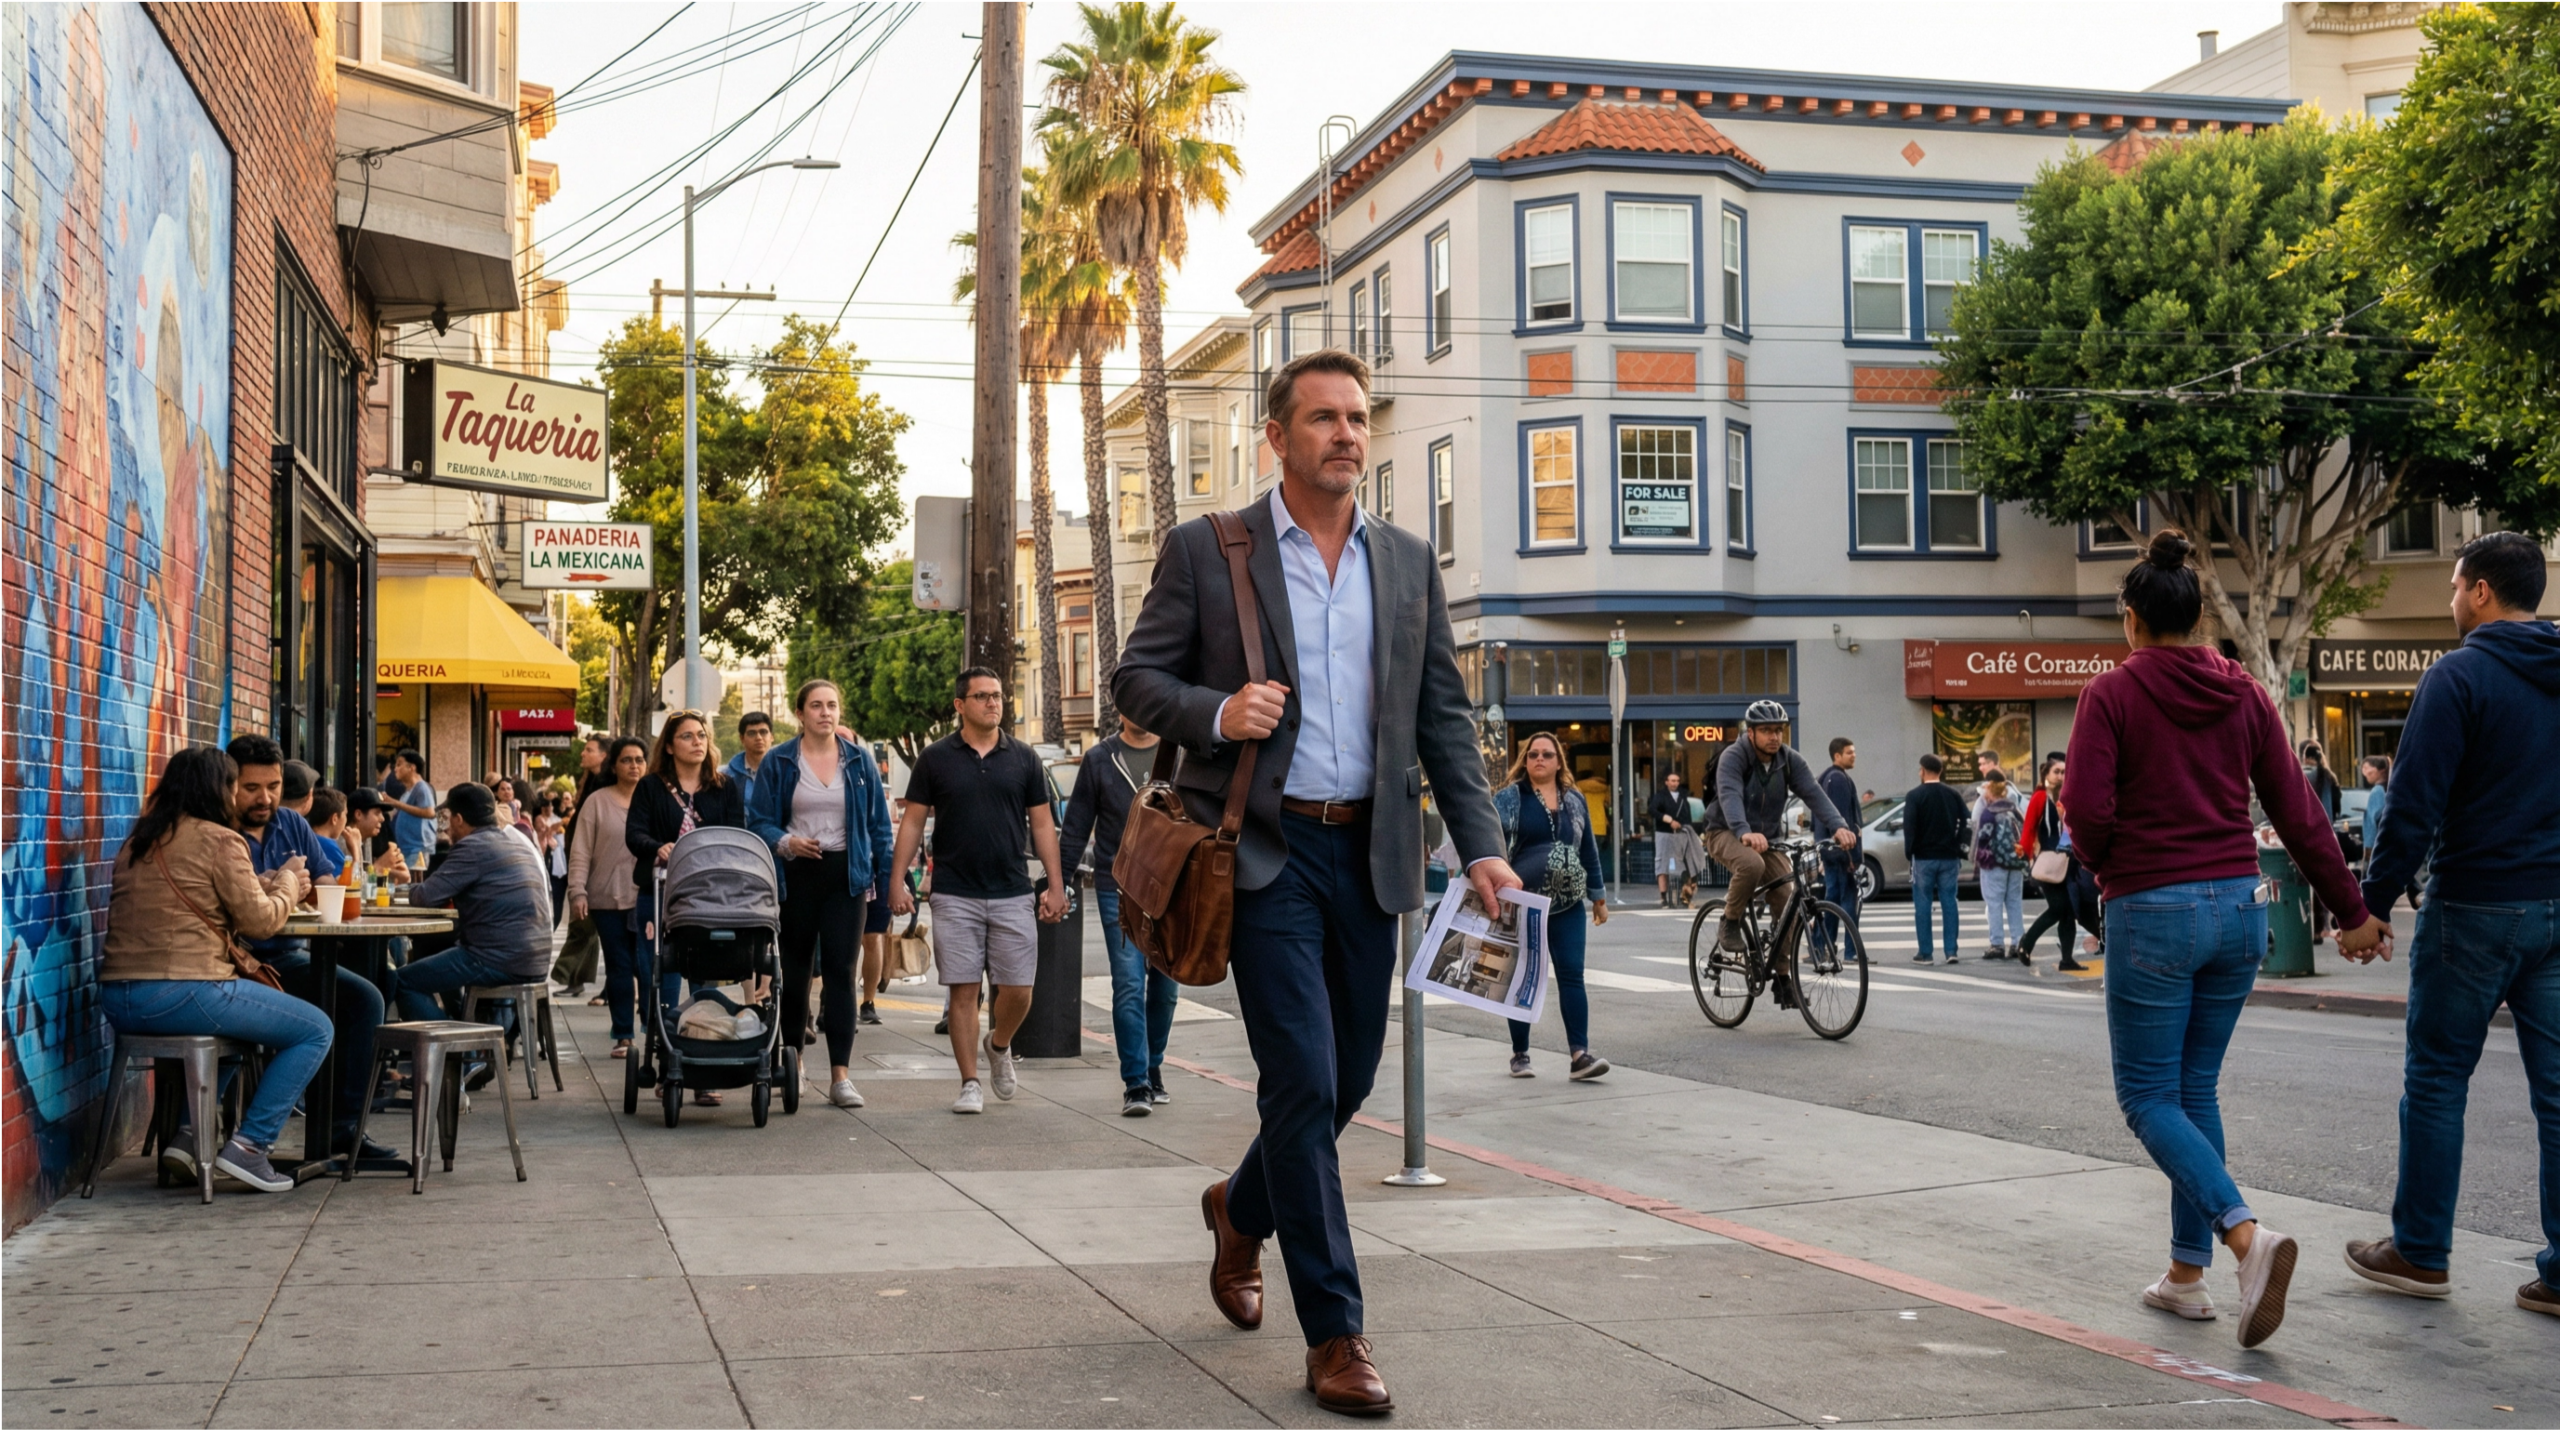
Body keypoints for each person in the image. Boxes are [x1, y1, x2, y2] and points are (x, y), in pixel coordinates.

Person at [1113, 348, 1517, 1417]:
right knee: (1298, 1075)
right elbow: (1135, 679)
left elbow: (1441, 719)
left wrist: (1479, 842)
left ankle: (1238, 1208)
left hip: (1371, 852)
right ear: (1277, 437)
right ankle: (1335, 1331)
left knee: (1346, 1083)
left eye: (1356, 418)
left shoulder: (1407, 561)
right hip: (1262, 851)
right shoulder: (1211, 549)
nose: (1347, 433)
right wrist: (1217, 712)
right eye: (1324, 417)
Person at [2066, 528, 2388, 1348]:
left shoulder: (2111, 694)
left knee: (2147, 1097)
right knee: (2193, 1090)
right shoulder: (2242, 691)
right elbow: (2297, 810)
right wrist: (2351, 910)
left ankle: (2247, 1240)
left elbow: (2088, 813)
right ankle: (2185, 1276)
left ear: (2132, 618)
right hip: (2243, 907)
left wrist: (2110, 867)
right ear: (2198, 616)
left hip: (2154, 908)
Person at [2339, 531, 2559, 1318]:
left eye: (2456, 585)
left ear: (2481, 591)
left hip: (2474, 905)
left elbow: (2413, 804)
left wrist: (2369, 905)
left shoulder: (2458, 675)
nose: (2453, 599)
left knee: (2436, 1080)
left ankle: (2421, 1251)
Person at [100, 746, 326, 1193]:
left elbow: (200, 892)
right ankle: (250, 1147)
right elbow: (261, 921)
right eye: (235, 785)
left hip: (120, 999)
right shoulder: (222, 839)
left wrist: (263, 883)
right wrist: (287, 881)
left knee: (241, 1031)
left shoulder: (139, 841)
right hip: (184, 992)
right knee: (315, 1029)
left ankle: (188, 1138)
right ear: (217, 789)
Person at [888, 668, 1064, 1114]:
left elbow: (1043, 824)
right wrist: (897, 879)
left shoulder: (1024, 758)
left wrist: (1055, 883)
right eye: (982, 696)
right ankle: (969, 1083)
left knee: (1019, 989)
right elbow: (913, 821)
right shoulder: (935, 758)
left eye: (997, 696)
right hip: (954, 893)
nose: (993, 703)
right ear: (960, 705)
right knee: (963, 992)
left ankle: (999, 1044)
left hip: (1012, 891)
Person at [226, 735, 392, 1163]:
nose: (265, 798)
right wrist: (281, 883)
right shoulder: (220, 831)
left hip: (289, 957)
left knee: (365, 1000)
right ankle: (240, 1137)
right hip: (237, 961)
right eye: (252, 788)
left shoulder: (292, 823)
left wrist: (311, 887)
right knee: (325, 1017)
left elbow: (326, 881)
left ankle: (343, 1130)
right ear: (230, 784)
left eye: (273, 786)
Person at [747, 682, 896, 1110]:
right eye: (816, 706)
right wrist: (787, 842)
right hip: (796, 873)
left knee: (841, 973)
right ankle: (793, 1061)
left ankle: (840, 1076)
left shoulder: (859, 761)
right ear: (800, 713)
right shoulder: (779, 761)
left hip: (845, 876)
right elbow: (758, 821)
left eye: (831, 705)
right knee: (795, 975)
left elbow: (879, 828)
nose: (825, 712)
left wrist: (890, 881)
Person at [1059, 714, 1181, 1115]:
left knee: (1166, 990)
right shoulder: (1100, 759)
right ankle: (1136, 1082)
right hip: (1120, 888)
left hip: (1172, 890)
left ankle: (1153, 1064)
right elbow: (1076, 826)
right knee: (1129, 983)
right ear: (1121, 707)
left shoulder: (1178, 755)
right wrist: (1059, 882)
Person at [627, 711, 748, 1105]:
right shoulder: (650, 787)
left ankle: (704, 1069)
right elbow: (634, 834)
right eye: (687, 736)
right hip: (660, 890)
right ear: (669, 745)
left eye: (701, 735)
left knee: (705, 979)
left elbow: (736, 833)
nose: (697, 742)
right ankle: (667, 1067)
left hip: (711, 895)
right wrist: (656, 847)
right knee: (661, 978)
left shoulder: (724, 786)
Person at [1703, 705, 1855, 991]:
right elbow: (1730, 795)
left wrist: (1838, 826)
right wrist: (1744, 831)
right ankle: (1730, 920)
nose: (1774, 737)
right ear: (1750, 733)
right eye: (1766, 731)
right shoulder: (1733, 757)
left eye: (1778, 730)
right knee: (1752, 864)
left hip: (1767, 839)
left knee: (1787, 898)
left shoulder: (1789, 760)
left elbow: (1813, 793)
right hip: (1724, 831)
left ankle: (1783, 977)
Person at [392, 783, 558, 1044]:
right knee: (443, 955)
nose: (446, 827)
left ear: (459, 819)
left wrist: (401, 886)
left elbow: (425, 896)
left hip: (497, 958)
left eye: (448, 819)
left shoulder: (473, 846)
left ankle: (458, 1050)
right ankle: (471, 1042)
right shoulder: (514, 841)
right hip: (533, 956)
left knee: (402, 981)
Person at [1493, 731, 1610, 1080]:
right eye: (1533, 755)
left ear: (1559, 762)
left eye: (1547, 754)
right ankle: (1520, 1054)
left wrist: (1598, 897)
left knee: (1572, 974)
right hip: (1523, 904)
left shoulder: (1574, 800)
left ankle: (1580, 1056)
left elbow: (1587, 849)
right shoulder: (1509, 798)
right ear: (1525, 761)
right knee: (1523, 976)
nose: (1539, 759)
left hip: (1568, 903)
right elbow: (1488, 845)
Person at [570, 738, 647, 1057]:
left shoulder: (655, 800)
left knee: (647, 966)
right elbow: (580, 850)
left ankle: (655, 1032)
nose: (634, 766)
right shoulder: (597, 802)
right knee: (619, 965)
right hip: (606, 900)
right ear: (613, 765)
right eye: (626, 760)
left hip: (647, 899)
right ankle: (624, 1034)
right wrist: (577, 891)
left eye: (639, 759)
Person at [2016, 756, 2097, 971]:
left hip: (2070, 862)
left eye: (2063, 772)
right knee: (2059, 907)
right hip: (2050, 861)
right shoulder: (2040, 797)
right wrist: (2024, 852)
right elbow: (2029, 827)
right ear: (2046, 774)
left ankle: (2066, 960)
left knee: (2068, 911)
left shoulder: (2069, 796)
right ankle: (2027, 942)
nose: (2061, 776)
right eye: (2057, 772)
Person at [1900, 755, 1970, 965]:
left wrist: (1910, 852)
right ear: (1941, 771)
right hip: (1949, 856)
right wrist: (1960, 846)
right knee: (1950, 902)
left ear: (1922, 770)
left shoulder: (1914, 795)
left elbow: (1909, 827)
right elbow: (1967, 820)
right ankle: (1951, 950)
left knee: (1923, 904)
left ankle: (1925, 953)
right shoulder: (1953, 794)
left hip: (1923, 857)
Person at [1973, 770, 2028, 961]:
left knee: (1994, 903)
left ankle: (1997, 944)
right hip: (2015, 863)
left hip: (1993, 863)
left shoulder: (1989, 813)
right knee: (2014, 902)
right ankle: (2018, 942)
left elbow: (1981, 837)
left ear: (1989, 789)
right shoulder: (2014, 809)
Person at [1819, 738, 1863, 928]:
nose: (1854, 755)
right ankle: (1849, 947)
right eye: (1849, 752)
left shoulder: (1826, 777)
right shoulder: (1838, 779)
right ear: (1837, 755)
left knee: (1833, 898)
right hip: (1841, 852)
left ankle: (1823, 942)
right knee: (1847, 901)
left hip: (1831, 851)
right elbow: (1841, 820)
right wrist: (1851, 855)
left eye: (1854, 751)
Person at [384, 748, 437, 870]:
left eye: (399, 764)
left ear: (411, 768)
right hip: (406, 849)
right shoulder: (407, 792)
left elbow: (429, 812)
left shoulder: (421, 788)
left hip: (417, 849)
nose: (395, 769)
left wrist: (395, 803)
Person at [1648, 770, 1689, 908]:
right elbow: (1652, 810)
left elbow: (1687, 814)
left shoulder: (1683, 796)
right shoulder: (1660, 796)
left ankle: (1682, 896)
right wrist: (1668, 820)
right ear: (1666, 782)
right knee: (1662, 863)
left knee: (1681, 863)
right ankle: (1663, 896)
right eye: (1672, 781)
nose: (1675, 783)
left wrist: (1685, 827)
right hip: (1664, 832)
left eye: (1677, 781)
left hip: (1680, 833)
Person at [726, 709, 775, 809]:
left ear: (771, 737)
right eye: (752, 733)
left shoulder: (785, 771)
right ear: (742, 739)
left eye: (763, 732)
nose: (758, 738)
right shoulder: (728, 776)